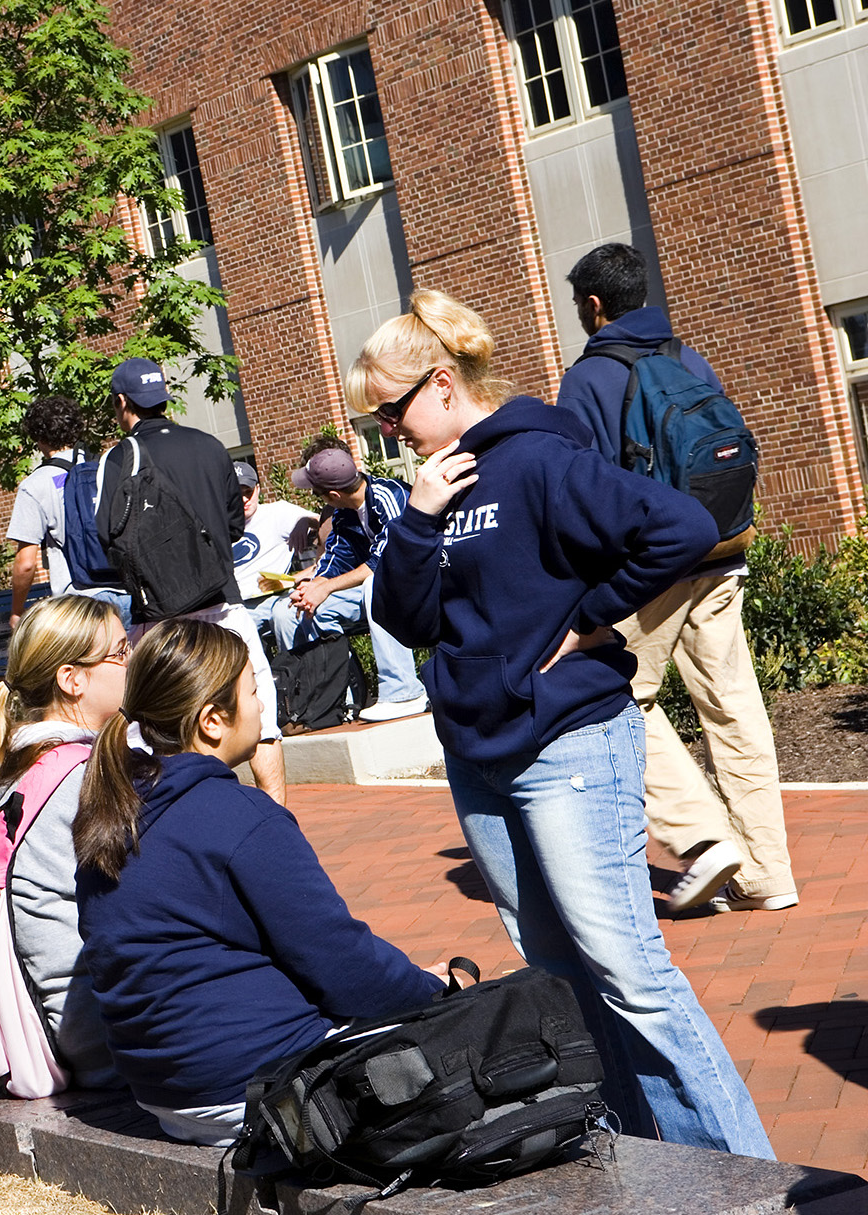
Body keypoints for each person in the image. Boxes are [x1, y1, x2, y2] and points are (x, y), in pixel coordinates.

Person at [359, 290, 772, 1157]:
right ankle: (644, 1156)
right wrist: (419, 518)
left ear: (441, 383)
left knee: (628, 971)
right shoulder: (437, 482)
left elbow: (682, 525)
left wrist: (592, 619)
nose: (387, 430)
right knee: (561, 977)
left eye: (391, 410)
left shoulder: (538, 459)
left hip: (569, 744)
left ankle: (741, 1174)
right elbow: (405, 617)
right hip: (479, 756)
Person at [74, 619, 446, 1144]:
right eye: (253, 690)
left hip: (165, 1094)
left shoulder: (113, 812)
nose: (262, 705)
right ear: (211, 721)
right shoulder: (241, 815)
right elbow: (342, 964)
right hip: (256, 1087)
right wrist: (436, 991)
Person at [557, 243, 796, 915]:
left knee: (619, 693)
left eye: (579, 303)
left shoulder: (588, 378)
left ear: (594, 305)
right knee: (735, 709)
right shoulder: (688, 357)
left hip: (651, 566)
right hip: (722, 552)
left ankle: (703, 836)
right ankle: (768, 875)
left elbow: (584, 491)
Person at [0, 595, 126, 1086]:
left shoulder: (11, 766)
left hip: (31, 1027)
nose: (133, 662)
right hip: (95, 1043)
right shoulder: (81, 777)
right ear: (72, 679)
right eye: (120, 652)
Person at [94, 358, 287, 803]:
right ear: (163, 396)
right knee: (259, 716)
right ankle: (277, 821)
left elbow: (105, 536)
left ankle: (188, 820)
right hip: (223, 603)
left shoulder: (119, 457)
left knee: (154, 729)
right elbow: (235, 525)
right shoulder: (210, 445)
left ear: (122, 402)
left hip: (159, 617)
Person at [271, 442, 431, 723]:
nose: (314, 496)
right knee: (288, 611)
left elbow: (388, 560)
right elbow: (336, 556)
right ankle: (329, 703)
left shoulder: (387, 495)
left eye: (315, 491)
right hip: (380, 592)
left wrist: (327, 587)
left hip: (423, 585)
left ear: (332, 494)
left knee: (375, 584)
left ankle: (405, 692)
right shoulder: (344, 511)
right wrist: (314, 587)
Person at [6, 395, 86, 627]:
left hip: (76, 603)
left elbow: (26, 563)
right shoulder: (101, 467)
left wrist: (16, 612)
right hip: (121, 593)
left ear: (38, 437)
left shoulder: (35, 485)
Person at [229, 460, 317, 609]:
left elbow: (329, 526)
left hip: (267, 600)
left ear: (257, 489)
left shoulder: (277, 513)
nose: (244, 499)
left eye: (248, 492)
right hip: (231, 603)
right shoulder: (219, 525)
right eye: (237, 494)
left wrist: (305, 520)